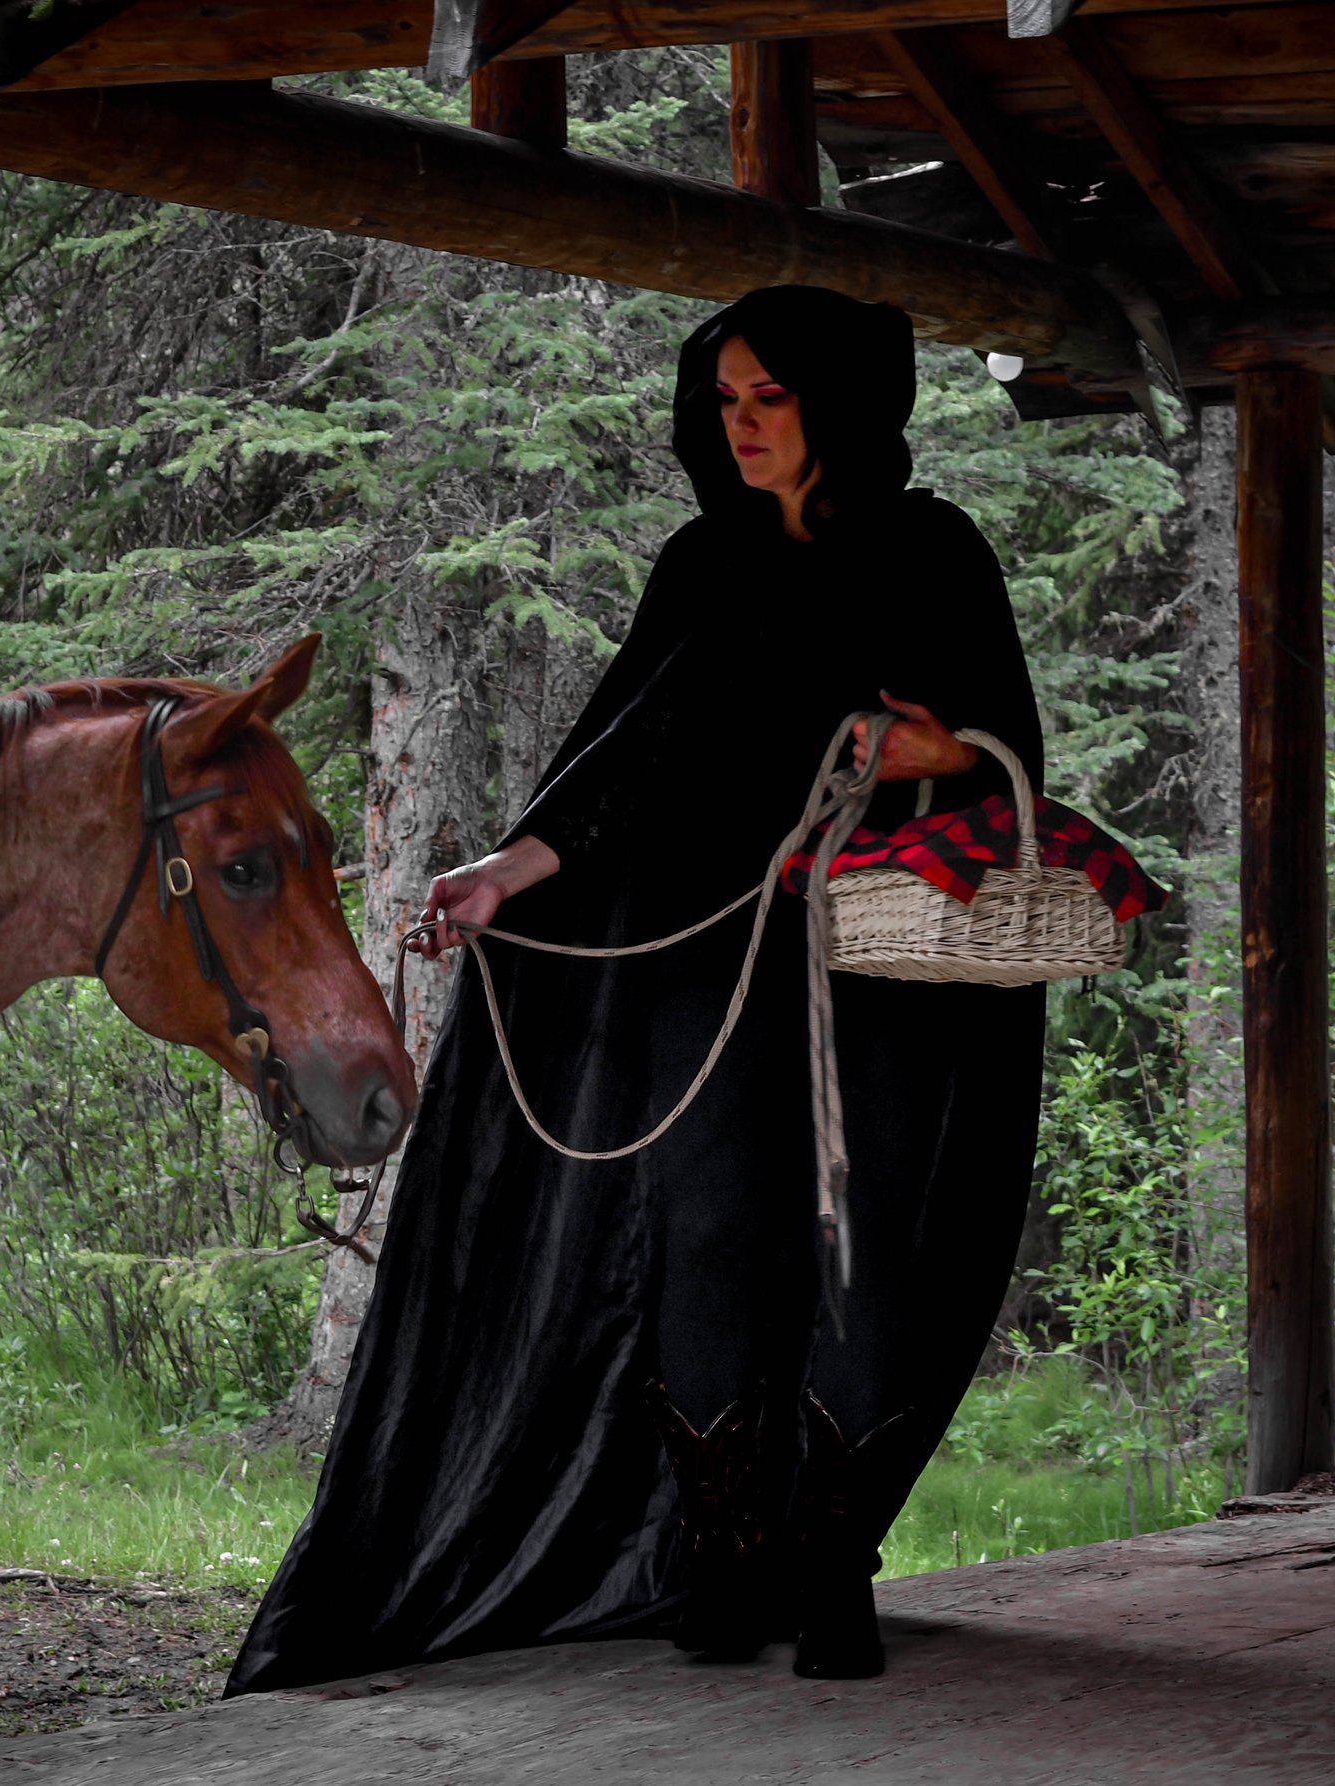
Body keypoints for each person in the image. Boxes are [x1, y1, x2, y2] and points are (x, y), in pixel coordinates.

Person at [226, 284, 1047, 1693]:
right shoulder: (703, 563)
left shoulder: (933, 554)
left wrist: (923, 748)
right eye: (725, 400)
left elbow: (999, 737)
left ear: (835, 406)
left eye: (769, 400)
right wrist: (504, 870)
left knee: (857, 1247)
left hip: (883, 964)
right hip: (709, 951)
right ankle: (729, 1562)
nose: (740, 427)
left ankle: (832, 1569)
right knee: (715, 1234)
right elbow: (626, 756)